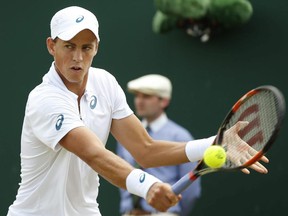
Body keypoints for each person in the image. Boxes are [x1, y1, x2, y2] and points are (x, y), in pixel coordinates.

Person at [6, 5, 269, 216]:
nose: (78, 57)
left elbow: (145, 149)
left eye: (86, 47)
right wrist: (149, 185)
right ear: (52, 46)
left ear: (96, 47)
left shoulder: (105, 83)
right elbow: (94, 154)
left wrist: (215, 143)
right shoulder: (44, 99)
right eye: (69, 46)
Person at [117, 74, 201, 216]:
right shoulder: (126, 133)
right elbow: (120, 173)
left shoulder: (180, 136)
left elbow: (191, 191)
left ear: (164, 101)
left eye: (147, 96)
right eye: (138, 96)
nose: (139, 101)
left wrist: (170, 212)